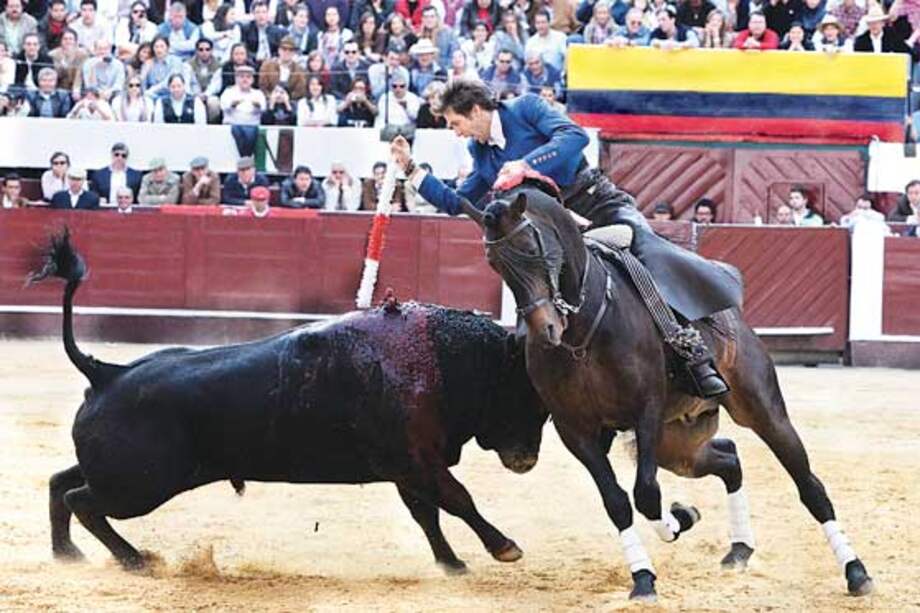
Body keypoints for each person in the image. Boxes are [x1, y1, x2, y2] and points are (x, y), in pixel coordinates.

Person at [389, 80, 740, 398]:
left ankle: (692, 351)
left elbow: (574, 137)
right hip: (554, 231)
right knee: (533, 288)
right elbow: (456, 202)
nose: (456, 133)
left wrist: (525, 164)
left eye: (456, 123)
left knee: (647, 251)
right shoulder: (481, 152)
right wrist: (410, 169)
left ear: (476, 111)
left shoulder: (525, 108)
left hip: (597, 203)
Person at [221, 64, 266, 156]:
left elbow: (263, 109)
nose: (245, 80)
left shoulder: (258, 94)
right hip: (233, 125)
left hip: (252, 126)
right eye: (241, 77)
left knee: (251, 132)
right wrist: (232, 105)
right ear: (236, 79)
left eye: (248, 77)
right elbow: (223, 107)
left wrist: (257, 106)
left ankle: (246, 158)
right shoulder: (228, 92)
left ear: (252, 80)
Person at [185, 37, 223, 122]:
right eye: (201, 50)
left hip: (210, 95)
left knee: (214, 103)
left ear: (212, 50)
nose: (204, 52)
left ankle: (212, 124)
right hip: (193, 94)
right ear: (196, 51)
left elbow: (215, 85)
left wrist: (205, 95)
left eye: (207, 49)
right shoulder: (188, 65)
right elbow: (186, 83)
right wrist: (194, 95)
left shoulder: (218, 65)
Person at [260, 35, 308, 99]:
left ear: (294, 53)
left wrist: (287, 98)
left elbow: (300, 90)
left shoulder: (299, 69)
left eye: (290, 50)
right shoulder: (267, 66)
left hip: (291, 101)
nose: (287, 52)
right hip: (269, 100)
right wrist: (272, 97)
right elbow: (263, 86)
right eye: (284, 49)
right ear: (279, 50)